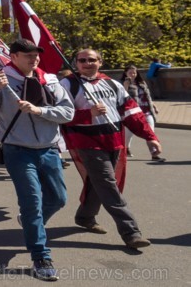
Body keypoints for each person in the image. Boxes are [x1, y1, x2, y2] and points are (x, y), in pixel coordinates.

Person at [0, 39, 74, 282]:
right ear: (14, 56)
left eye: (36, 54)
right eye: (28, 55)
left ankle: (30, 221)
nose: (34, 58)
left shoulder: (50, 80)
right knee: (31, 201)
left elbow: (68, 112)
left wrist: (40, 111)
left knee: (59, 199)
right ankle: (41, 256)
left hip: (49, 150)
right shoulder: (1, 79)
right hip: (17, 151)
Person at [61, 49, 162, 249]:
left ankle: (85, 216)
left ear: (100, 61)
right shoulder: (67, 84)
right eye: (82, 60)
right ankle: (131, 232)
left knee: (99, 183)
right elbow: (59, 114)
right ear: (76, 63)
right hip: (87, 143)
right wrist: (87, 114)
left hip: (114, 140)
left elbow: (132, 112)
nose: (87, 63)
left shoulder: (112, 84)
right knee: (108, 184)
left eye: (92, 60)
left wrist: (150, 137)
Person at [121, 65, 163, 161]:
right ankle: (126, 149)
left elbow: (147, 97)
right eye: (130, 73)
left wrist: (154, 106)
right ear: (125, 73)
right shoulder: (121, 84)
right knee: (128, 134)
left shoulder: (141, 83)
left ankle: (154, 154)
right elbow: (122, 97)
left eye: (134, 73)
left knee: (150, 133)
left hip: (146, 111)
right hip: (132, 114)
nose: (133, 74)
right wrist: (126, 85)